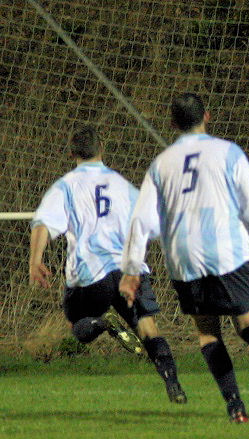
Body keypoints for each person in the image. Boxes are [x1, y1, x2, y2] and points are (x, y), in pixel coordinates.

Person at [119, 92, 249, 424]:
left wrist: (131, 269)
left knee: (209, 333)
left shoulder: (161, 164)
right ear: (207, 116)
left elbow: (140, 220)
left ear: (172, 124)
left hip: (185, 258)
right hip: (228, 252)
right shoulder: (229, 152)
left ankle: (235, 405)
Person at [29, 125, 187, 404]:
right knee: (149, 329)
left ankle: (100, 323)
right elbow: (151, 223)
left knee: (79, 326)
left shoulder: (66, 186)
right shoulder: (121, 184)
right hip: (129, 271)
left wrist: (35, 260)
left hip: (90, 275)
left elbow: (43, 224)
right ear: (101, 150)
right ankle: (173, 385)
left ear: (71, 152)